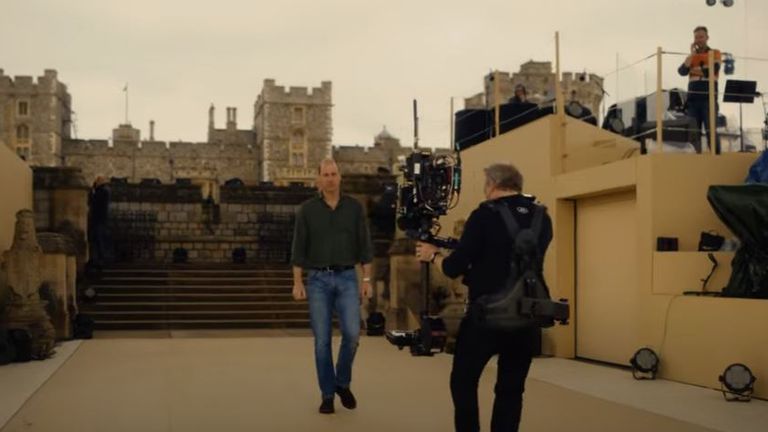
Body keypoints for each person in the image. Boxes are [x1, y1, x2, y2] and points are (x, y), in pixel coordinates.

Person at [416, 163, 552, 432]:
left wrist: (432, 255)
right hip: (526, 316)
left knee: (463, 381)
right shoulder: (542, 217)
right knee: (511, 390)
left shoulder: (483, 215)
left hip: (485, 317)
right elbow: (509, 252)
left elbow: (454, 267)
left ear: (492, 184)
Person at [291, 158, 374, 414]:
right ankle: (327, 394)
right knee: (322, 342)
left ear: (340, 178)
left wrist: (367, 279)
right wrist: (297, 282)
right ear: (318, 179)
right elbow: (298, 247)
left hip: (348, 277)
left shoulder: (354, 208)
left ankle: (342, 382)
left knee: (352, 334)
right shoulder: (307, 210)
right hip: (317, 280)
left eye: (333, 174)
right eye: (325, 174)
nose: (329, 178)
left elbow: (364, 244)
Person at [678, 25, 722, 154]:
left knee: (711, 131)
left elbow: (713, 70)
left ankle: (716, 158)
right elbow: (681, 71)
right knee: (693, 133)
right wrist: (691, 55)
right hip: (692, 100)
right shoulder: (691, 57)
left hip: (708, 99)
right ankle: (696, 159)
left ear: (707, 38)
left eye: (701, 37)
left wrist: (693, 70)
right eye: (696, 37)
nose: (698, 40)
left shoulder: (715, 53)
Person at [87, 176, 111, 270]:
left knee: (98, 240)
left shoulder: (102, 191)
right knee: (99, 240)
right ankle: (100, 258)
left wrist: (91, 192)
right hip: (101, 219)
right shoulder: (104, 190)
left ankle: (100, 259)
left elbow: (93, 201)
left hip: (98, 219)